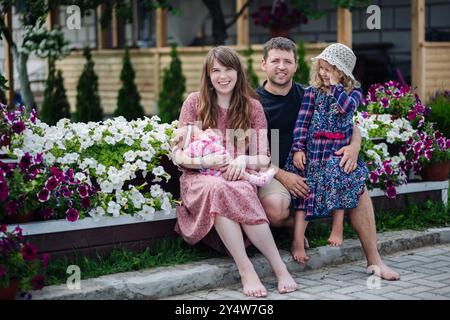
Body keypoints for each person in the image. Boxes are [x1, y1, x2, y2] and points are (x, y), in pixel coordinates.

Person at [256, 37, 400, 280]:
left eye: (287, 61)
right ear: (263, 64)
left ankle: (375, 261)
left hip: (316, 165)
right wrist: (283, 175)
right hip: (275, 172)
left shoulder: (309, 93)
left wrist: (354, 147)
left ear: (296, 65)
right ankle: (297, 227)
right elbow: (248, 151)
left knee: (356, 183)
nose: (281, 66)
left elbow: (348, 123)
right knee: (276, 208)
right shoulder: (255, 102)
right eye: (275, 61)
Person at [171, 46, 298, 297]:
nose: (222, 76)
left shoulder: (252, 107)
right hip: (198, 178)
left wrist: (243, 161)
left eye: (228, 69)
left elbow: (264, 157)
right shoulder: (194, 102)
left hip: (235, 174)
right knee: (218, 188)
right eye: (215, 70)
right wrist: (203, 160)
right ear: (208, 75)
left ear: (238, 72)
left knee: (237, 188)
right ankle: (246, 269)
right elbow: (178, 154)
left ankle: (279, 267)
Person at [285, 43, 369, 264]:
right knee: (305, 191)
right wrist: (298, 149)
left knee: (339, 177)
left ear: (341, 72)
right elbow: (301, 123)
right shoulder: (312, 92)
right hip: (313, 150)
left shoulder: (354, 93)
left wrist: (336, 86)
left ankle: (337, 229)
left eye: (328, 69)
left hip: (335, 151)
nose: (323, 73)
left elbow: (345, 109)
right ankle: (296, 240)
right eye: (321, 68)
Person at [176, 125, 277, 187]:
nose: (203, 131)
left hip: (223, 165)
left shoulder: (196, 145)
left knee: (242, 172)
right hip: (218, 170)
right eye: (199, 130)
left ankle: (259, 177)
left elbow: (217, 142)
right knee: (241, 175)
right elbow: (179, 157)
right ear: (194, 137)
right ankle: (259, 180)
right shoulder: (198, 144)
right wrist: (205, 162)